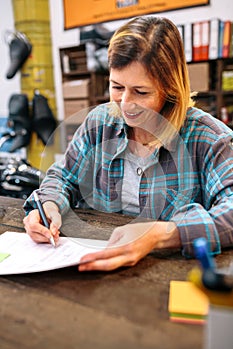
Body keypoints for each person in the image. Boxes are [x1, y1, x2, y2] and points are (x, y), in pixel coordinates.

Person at [23, 16, 233, 271]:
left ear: (170, 88)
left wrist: (161, 235)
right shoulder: (98, 123)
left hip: (167, 276)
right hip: (92, 268)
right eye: (117, 86)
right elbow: (64, 177)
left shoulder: (209, 138)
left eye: (141, 92)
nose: (124, 103)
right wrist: (49, 206)